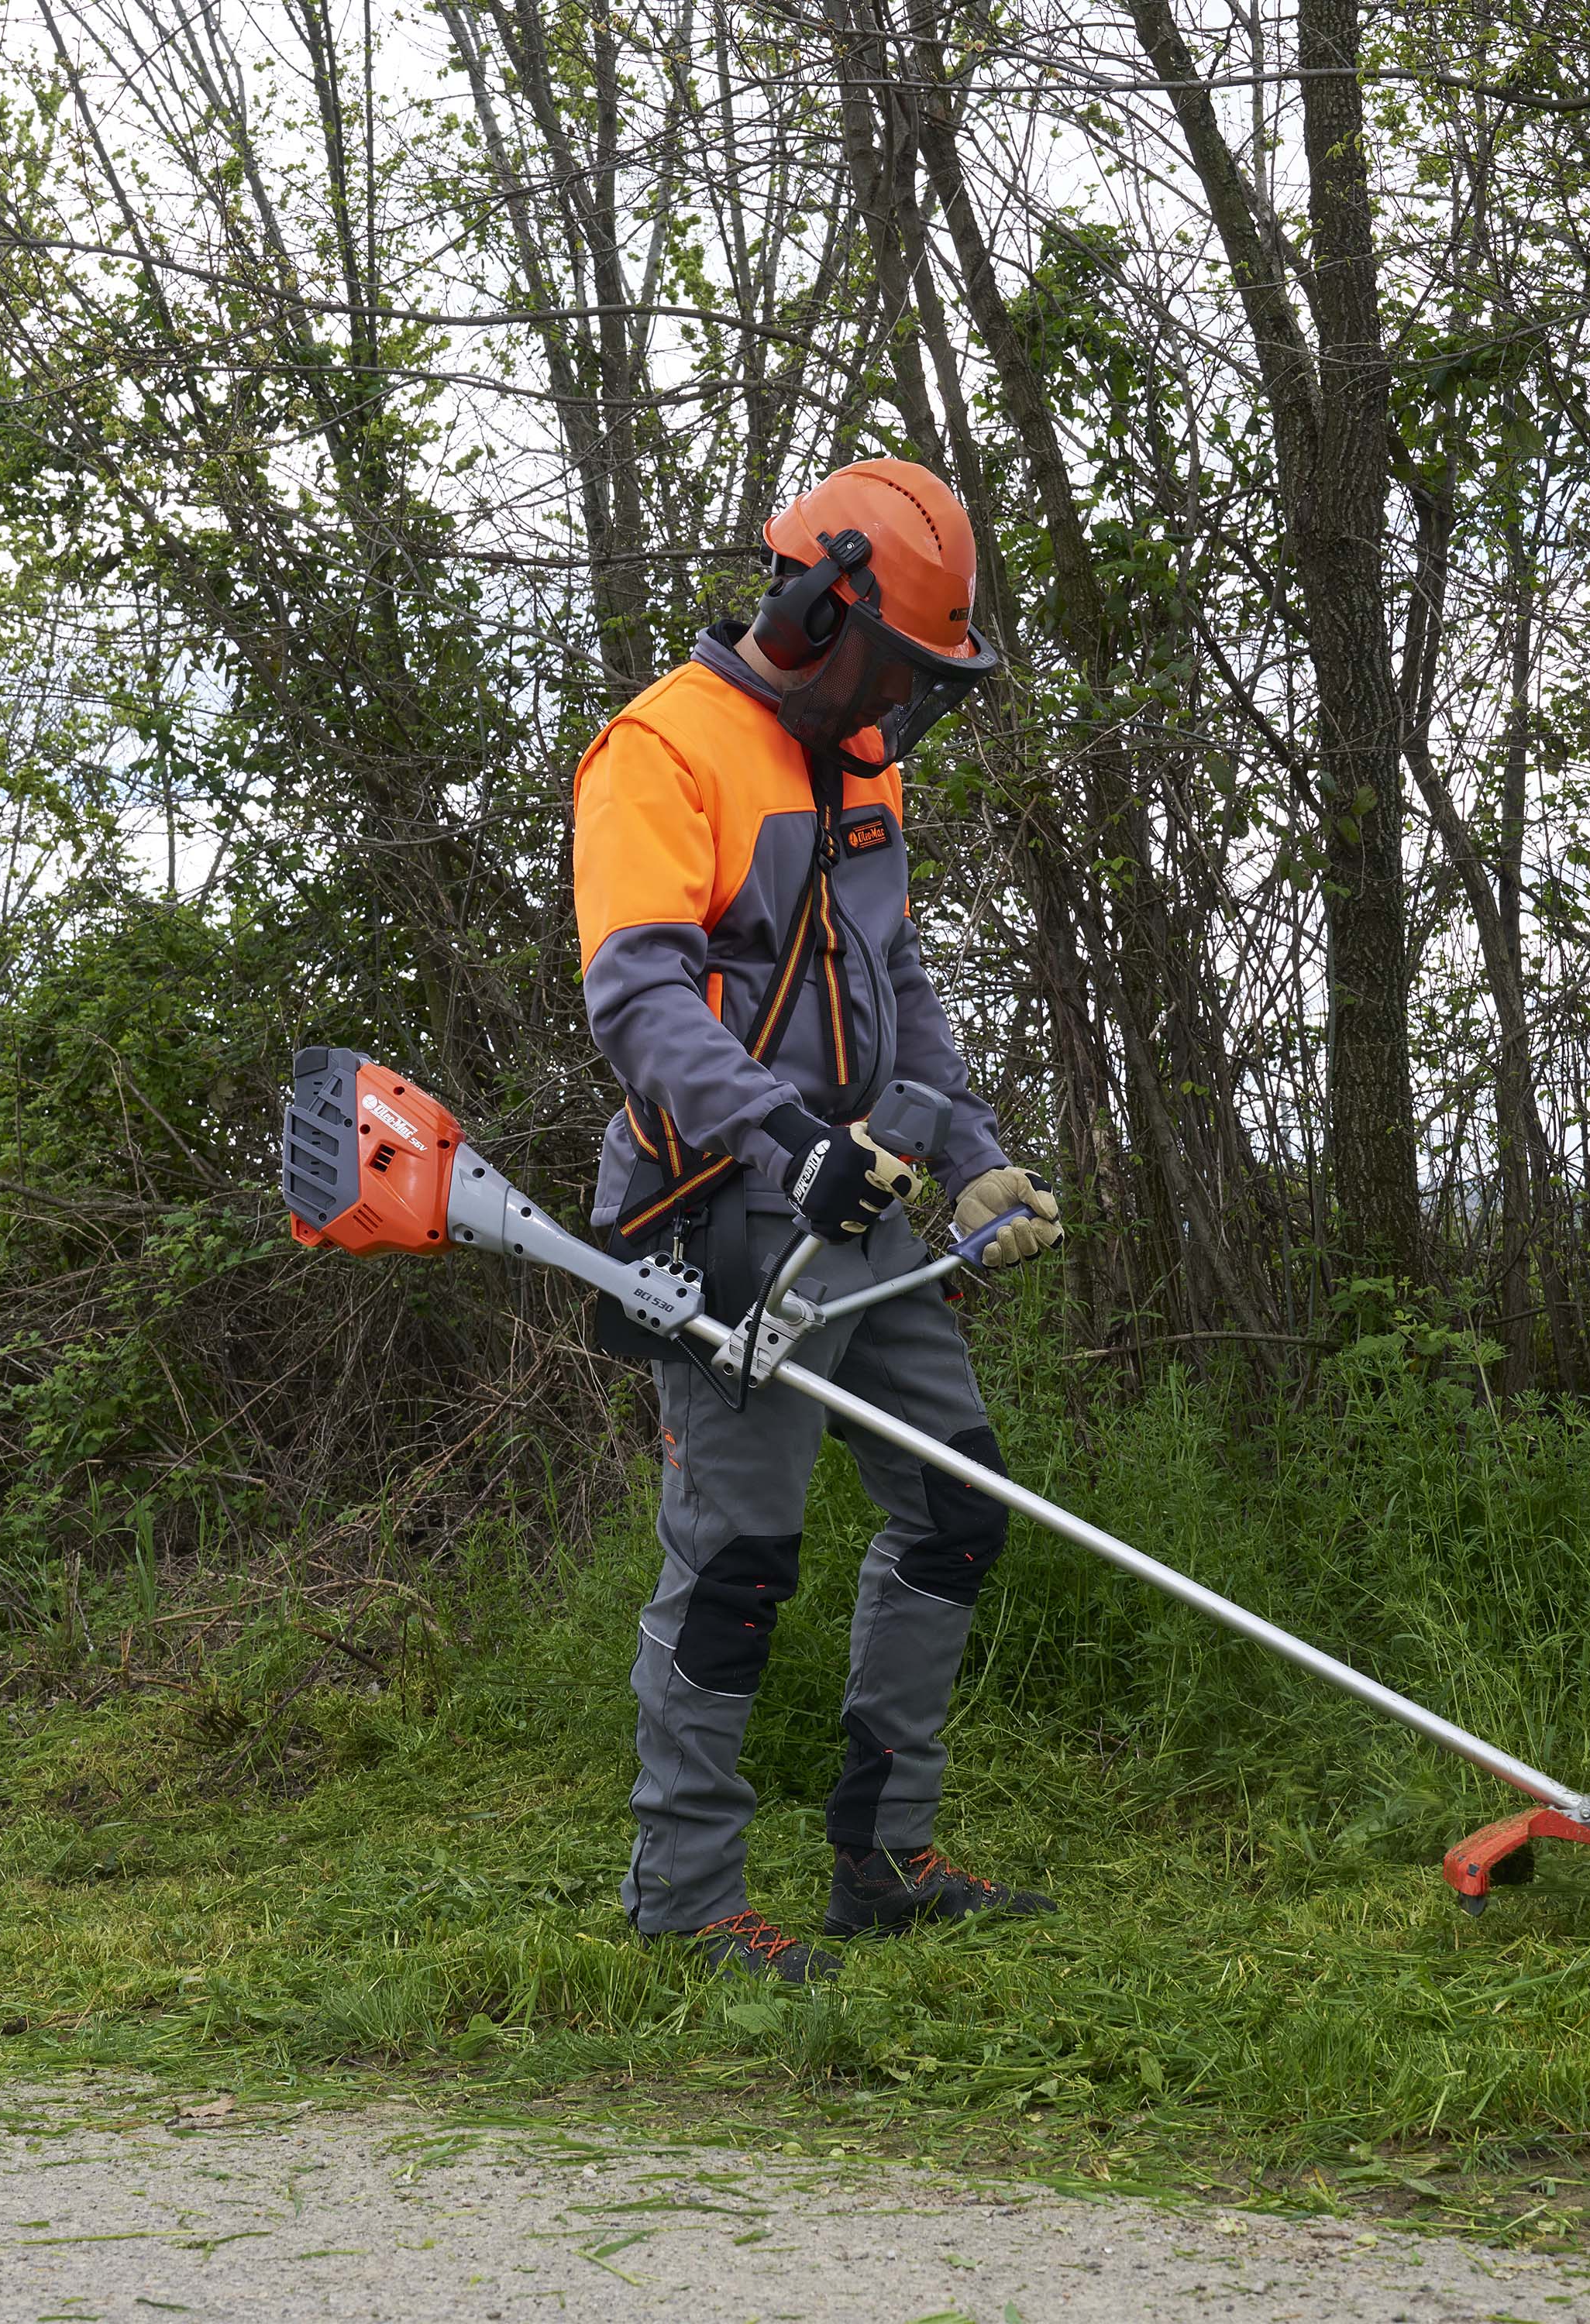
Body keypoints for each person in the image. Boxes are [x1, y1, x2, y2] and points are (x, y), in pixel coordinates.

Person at [570, 458, 1064, 1982]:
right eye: (895, 669)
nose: (901, 706)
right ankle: (689, 1903)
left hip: (868, 1210)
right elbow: (639, 1000)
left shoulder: (858, 767)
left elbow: (895, 986)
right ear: (814, 607)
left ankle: (884, 1856)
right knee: (737, 1565)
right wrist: (791, 1145)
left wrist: (971, 1156)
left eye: (928, 684)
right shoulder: (663, 753)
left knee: (959, 1503)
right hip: (719, 1212)